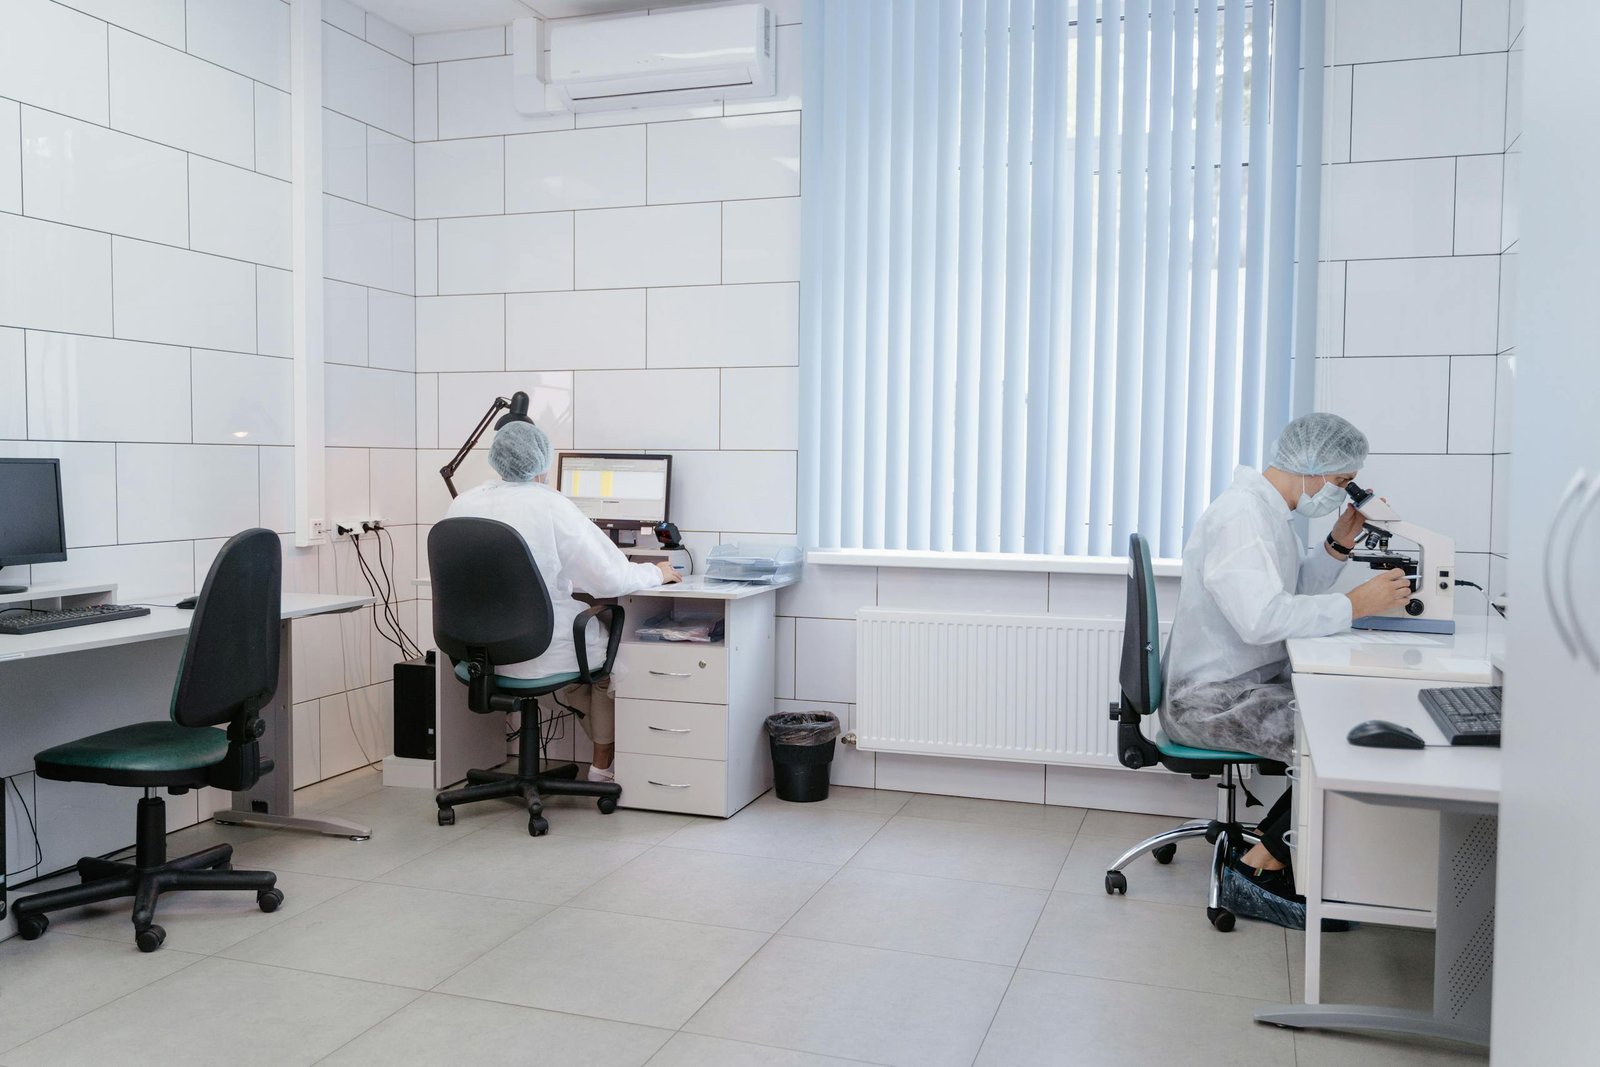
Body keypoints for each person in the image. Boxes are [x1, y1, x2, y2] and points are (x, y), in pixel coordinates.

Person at [1161, 412, 1411, 904]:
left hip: (1241, 683)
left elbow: (1290, 595)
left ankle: (1286, 856)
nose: (1340, 492)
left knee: (1350, 713)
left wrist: (1338, 545)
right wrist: (1356, 604)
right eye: (1342, 482)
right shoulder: (1242, 517)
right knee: (1340, 736)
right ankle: (1261, 867)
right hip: (1209, 699)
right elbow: (1262, 619)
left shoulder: (1270, 513)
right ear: (1314, 466)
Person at [445, 420, 680, 782]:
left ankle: (588, 754)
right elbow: (612, 578)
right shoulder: (550, 505)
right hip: (538, 653)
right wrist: (657, 573)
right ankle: (602, 766)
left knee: (581, 640)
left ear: (496, 458)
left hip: (476, 658)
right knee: (609, 661)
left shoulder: (463, 503)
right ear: (542, 462)